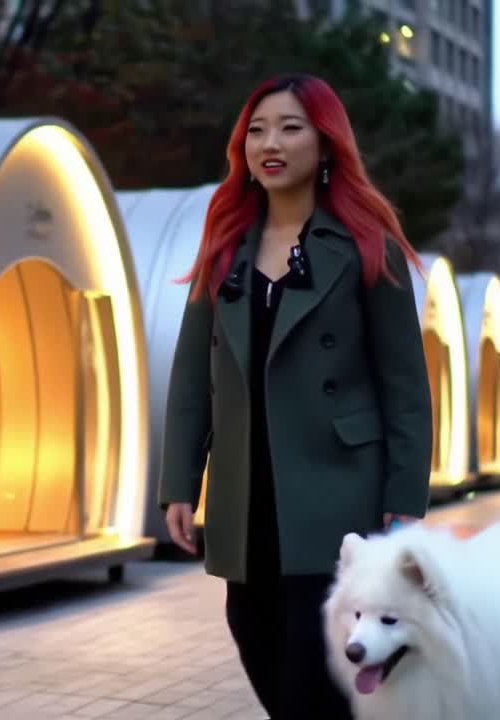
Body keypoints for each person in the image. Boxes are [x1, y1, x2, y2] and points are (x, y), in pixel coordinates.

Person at [157, 73, 434, 719]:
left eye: (289, 127)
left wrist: (403, 502)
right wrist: (179, 482)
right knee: (260, 646)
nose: (269, 143)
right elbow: (194, 374)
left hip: (339, 496)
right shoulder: (224, 248)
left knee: (313, 683)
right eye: (256, 130)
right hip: (245, 494)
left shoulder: (368, 246)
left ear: (326, 142)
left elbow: (405, 387)